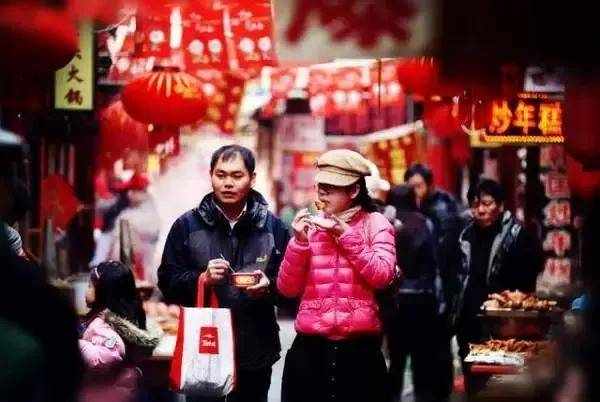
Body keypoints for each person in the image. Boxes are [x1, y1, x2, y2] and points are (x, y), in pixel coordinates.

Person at [158, 145, 290, 402]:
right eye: (221, 175)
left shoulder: (273, 228)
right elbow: (167, 282)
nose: (228, 183)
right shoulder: (187, 225)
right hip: (204, 348)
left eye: (237, 176)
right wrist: (202, 279)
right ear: (211, 176)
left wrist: (269, 287)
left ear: (252, 178)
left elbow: (291, 288)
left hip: (255, 349)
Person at [277, 149, 396, 402]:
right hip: (311, 349)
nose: (322, 193)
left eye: (331, 188)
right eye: (320, 186)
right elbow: (287, 289)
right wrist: (298, 243)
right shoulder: (311, 226)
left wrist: (346, 236)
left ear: (354, 190)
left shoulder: (376, 223)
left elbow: (383, 276)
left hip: (359, 351)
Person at [452, 178, 544, 394]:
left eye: (487, 203)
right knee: (474, 381)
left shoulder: (518, 236)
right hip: (469, 322)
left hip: (504, 325)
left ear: (500, 205)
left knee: (502, 384)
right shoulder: (464, 235)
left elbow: (531, 274)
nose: (480, 210)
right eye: (475, 205)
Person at [383, 185, 453, 402]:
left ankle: (393, 397)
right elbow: (433, 263)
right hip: (422, 300)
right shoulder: (424, 223)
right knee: (421, 359)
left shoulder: (386, 225)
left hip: (395, 301)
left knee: (396, 359)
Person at [80, 260, 159, 402]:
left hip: (111, 394)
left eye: (90, 286)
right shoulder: (119, 318)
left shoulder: (107, 324)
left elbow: (101, 358)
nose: (86, 291)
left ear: (104, 291)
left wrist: (78, 344)